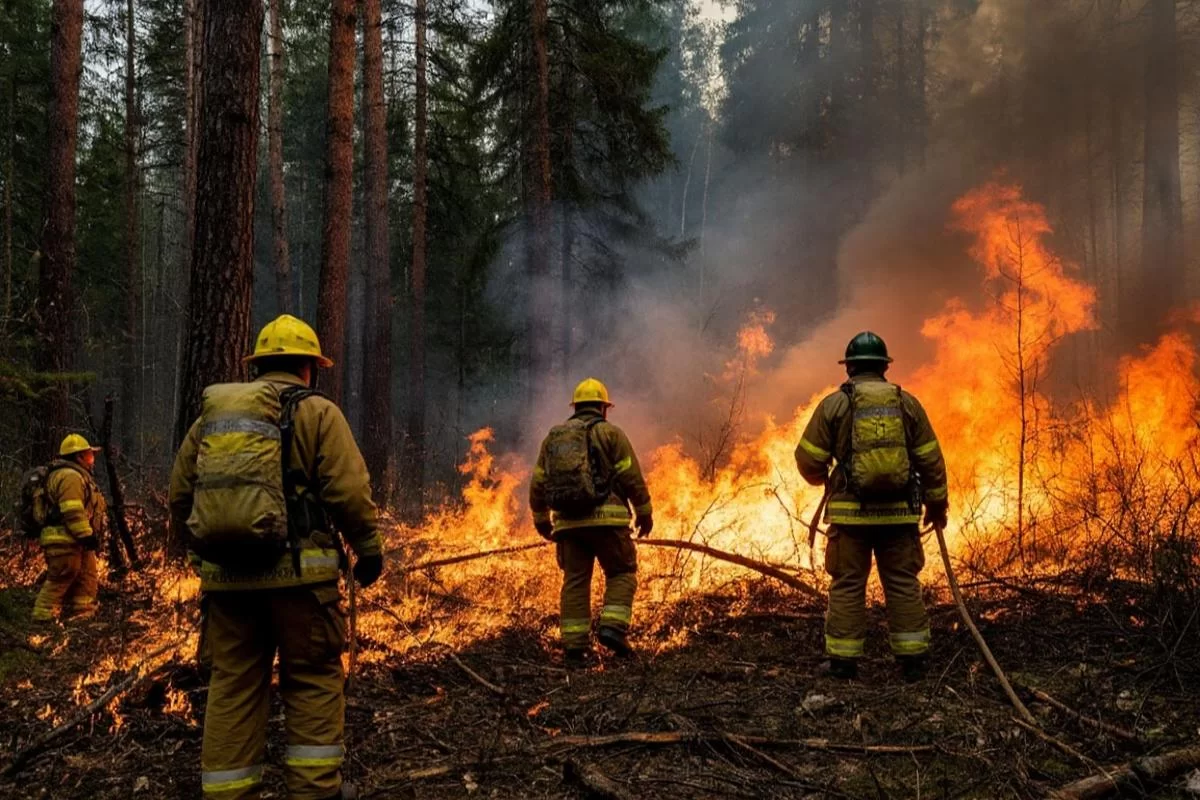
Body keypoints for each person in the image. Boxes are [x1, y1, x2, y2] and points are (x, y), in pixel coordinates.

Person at [170, 314, 384, 800]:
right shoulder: (319, 414)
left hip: (228, 584)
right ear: (311, 367)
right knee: (311, 678)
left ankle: (228, 793)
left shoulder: (212, 421)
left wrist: (201, 554)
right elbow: (349, 492)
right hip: (301, 585)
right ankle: (314, 791)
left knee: (234, 685)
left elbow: (181, 495)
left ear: (258, 366)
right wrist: (368, 550)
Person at [794, 332, 949, 682]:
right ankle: (912, 662)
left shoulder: (835, 405)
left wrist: (828, 478)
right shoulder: (907, 404)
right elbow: (930, 460)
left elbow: (807, 458)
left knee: (848, 583)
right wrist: (937, 504)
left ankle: (843, 664)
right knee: (901, 582)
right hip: (899, 516)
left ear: (849, 366)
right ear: (885, 367)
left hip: (851, 517)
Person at [529, 378, 653, 667]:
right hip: (608, 522)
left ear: (575, 407)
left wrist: (541, 520)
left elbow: (538, 483)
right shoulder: (611, 434)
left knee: (575, 581)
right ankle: (612, 627)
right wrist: (644, 512)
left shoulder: (553, 439)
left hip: (569, 527)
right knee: (621, 571)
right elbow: (630, 476)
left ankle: (575, 649)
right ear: (603, 408)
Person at [31, 434, 107, 622]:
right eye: (89, 455)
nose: (92, 459)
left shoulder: (76, 476)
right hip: (64, 539)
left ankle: (81, 618)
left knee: (86, 580)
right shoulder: (70, 477)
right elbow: (72, 510)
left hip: (76, 541)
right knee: (61, 578)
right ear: (78, 457)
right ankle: (42, 617)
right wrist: (86, 535)